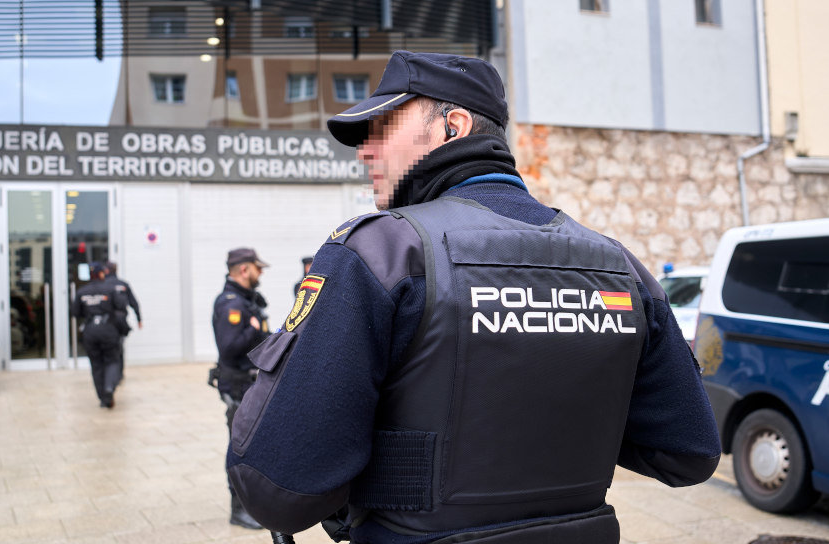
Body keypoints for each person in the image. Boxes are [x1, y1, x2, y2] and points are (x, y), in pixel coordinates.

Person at [225, 51, 721, 543]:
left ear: (453, 125)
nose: (364, 151)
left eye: (382, 129)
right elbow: (688, 450)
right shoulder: (618, 265)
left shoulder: (383, 251)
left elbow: (275, 488)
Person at [211, 247, 270, 530]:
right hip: (237, 385)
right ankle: (238, 509)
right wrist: (255, 328)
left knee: (252, 445)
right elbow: (230, 346)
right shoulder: (230, 304)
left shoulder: (248, 301)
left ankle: (252, 504)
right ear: (244, 270)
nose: (260, 273)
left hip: (249, 383)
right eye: (257, 268)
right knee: (239, 447)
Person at [71, 262, 128, 408]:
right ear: (101, 273)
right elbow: (121, 306)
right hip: (108, 329)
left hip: (90, 331)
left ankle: (103, 398)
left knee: (96, 365)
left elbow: (75, 312)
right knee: (112, 361)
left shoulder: (82, 291)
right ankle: (109, 388)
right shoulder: (109, 289)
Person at [104, 260, 141, 379]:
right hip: (121, 321)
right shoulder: (123, 284)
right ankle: (119, 374)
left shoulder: (103, 284)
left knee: (107, 347)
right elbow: (134, 303)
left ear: (106, 270)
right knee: (119, 347)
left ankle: (109, 374)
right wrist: (139, 319)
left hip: (107, 321)